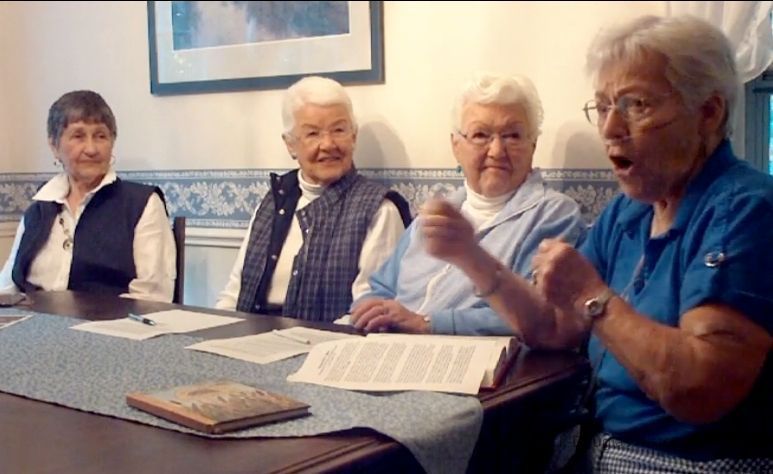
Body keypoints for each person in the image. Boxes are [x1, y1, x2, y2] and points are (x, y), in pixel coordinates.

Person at [422, 16, 772, 472]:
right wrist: (470, 256)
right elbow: (554, 326)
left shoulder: (744, 209)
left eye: (636, 105)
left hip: (686, 463)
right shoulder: (630, 210)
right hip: (597, 447)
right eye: (603, 107)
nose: (610, 128)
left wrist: (593, 296)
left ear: (709, 113)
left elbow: (700, 389)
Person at [350, 73, 585, 335]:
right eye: (481, 135)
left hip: (470, 354)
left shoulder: (553, 214)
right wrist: (369, 308)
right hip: (392, 345)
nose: (497, 151)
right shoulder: (440, 211)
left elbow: (542, 316)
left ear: (533, 144)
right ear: (456, 146)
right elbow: (380, 287)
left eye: (512, 136)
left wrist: (427, 323)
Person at [216, 76, 409, 321]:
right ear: (290, 145)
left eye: (339, 130)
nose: (328, 144)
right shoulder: (275, 200)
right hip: (252, 334)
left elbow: (368, 312)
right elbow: (234, 293)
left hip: (332, 339)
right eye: (313, 133)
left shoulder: (379, 210)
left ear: (353, 137)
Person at [0, 90, 176, 302]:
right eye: (78, 136)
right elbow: (8, 287)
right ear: (54, 146)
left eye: (101, 136)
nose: (91, 149)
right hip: (33, 319)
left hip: (111, 321)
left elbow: (153, 297)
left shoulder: (142, 204)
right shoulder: (38, 209)